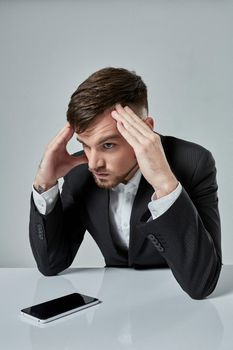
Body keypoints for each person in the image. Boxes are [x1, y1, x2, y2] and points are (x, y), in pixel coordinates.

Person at [30, 67, 222, 299]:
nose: (93, 163)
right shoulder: (80, 174)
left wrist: (165, 185)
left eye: (108, 145)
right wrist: (45, 183)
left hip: (177, 306)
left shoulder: (194, 163)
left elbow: (202, 283)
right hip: (112, 305)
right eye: (85, 145)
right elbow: (51, 263)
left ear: (145, 129)